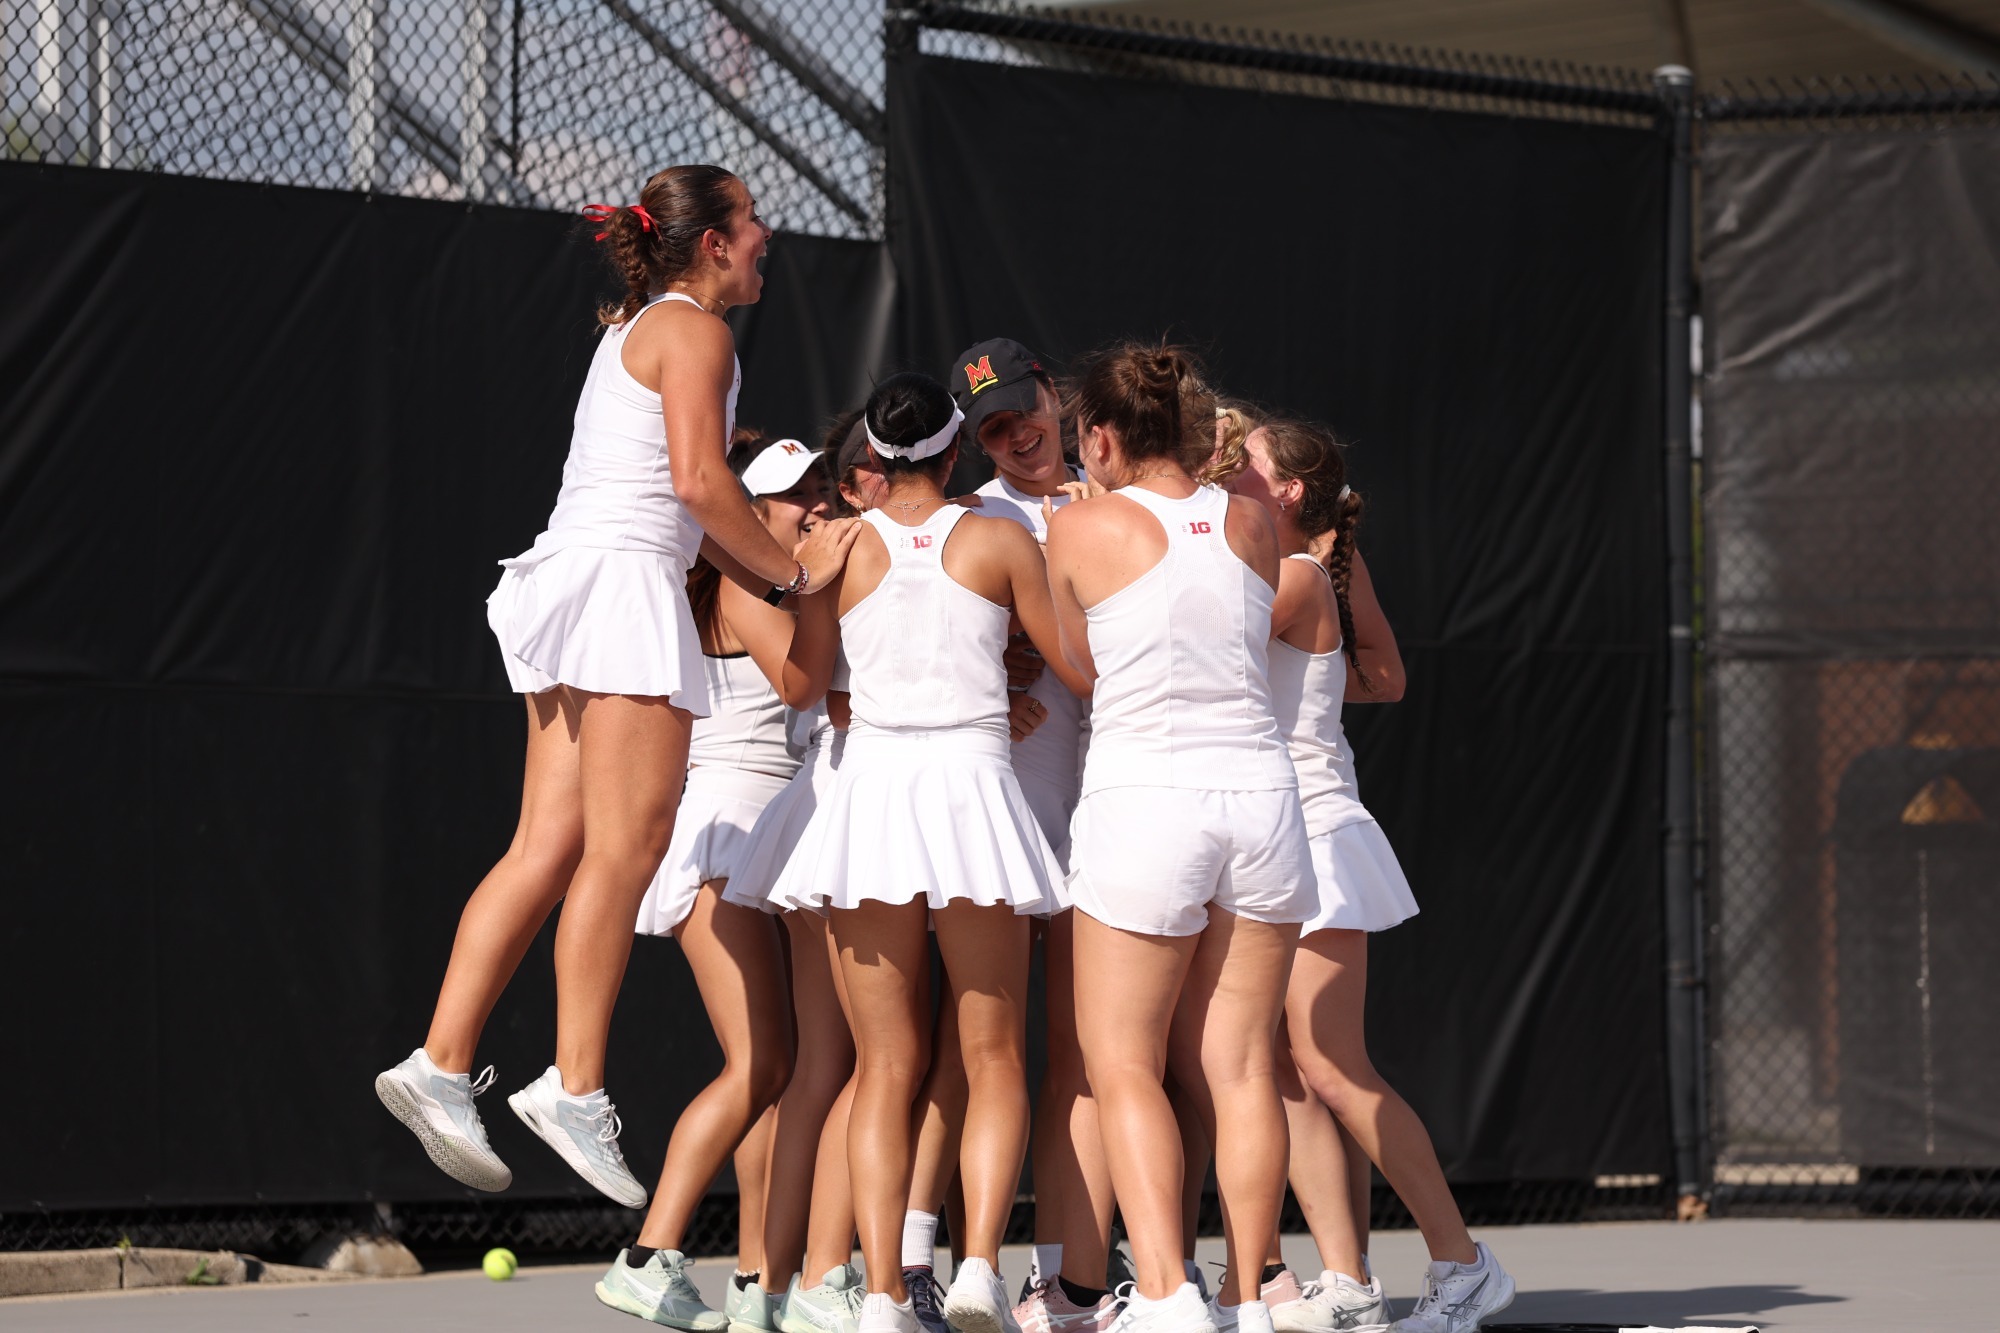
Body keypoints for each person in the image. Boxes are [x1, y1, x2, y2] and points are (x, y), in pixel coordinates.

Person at [373, 165, 858, 1213]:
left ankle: (440, 1061)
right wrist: (794, 577)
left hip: (576, 578)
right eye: (751, 220)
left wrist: (768, 570)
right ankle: (574, 1084)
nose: (766, 235)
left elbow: (688, 497)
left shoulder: (643, 326)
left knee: (547, 844)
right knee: (627, 846)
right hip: (622, 587)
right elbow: (699, 482)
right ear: (714, 243)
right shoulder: (697, 331)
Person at [772, 372, 1089, 1333]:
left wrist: (806, 582)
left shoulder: (838, 546)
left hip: (874, 799)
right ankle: (979, 1268)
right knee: (994, 1053)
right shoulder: (1001, 540)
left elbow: (800, 686)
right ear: (954, 451)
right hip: (971, 794)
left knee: (883, 1065)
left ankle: (880, 1294)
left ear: (872, 457)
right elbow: (1078, 666)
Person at [1211, 419, 1514, 1333]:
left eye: (1246, 461)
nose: (1229, 466)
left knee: (1333, 1064)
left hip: (1314, 830)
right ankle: (1346, 1278)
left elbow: (1204, 646)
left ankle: (1465, 1263)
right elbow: (1365, 674)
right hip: (1273, 831)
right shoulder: (1282, 567)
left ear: (1289, 491)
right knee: (1285, 1065)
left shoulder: (1295, 574)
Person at [1045, 343, 1313, 1333]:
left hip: (1146, 798)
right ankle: (1249, 1294)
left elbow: (1080, 666)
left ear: (1098, 438)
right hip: (1261, 799)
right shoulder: (1251, 521)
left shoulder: (1077, 526)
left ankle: (1165, 1293)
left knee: (1121, 1061)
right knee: (1241, 1068)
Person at [596, 436, 837, 1327]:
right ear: (748, 516)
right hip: (726, 842)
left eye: (820, 483)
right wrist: (824, 586)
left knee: (780, 1073)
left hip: (770, 837)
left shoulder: (765, 584)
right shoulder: (744, 587)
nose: (816, 502)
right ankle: (648, 1254)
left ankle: (758, 1279)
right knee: (761, 1063)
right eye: (793, 495)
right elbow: (805, 683)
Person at [938, 339, 1117, 1333]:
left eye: (1023, 410)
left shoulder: (1121, 498)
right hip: (1011, 808)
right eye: (994, 428)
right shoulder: (975, 520)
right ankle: (943, 1269)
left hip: (1126, 805)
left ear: (1055, 394)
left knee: (1094, 1052)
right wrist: (989, 690)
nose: (1016, 436)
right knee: (977, 1050)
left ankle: (1076, 1280)